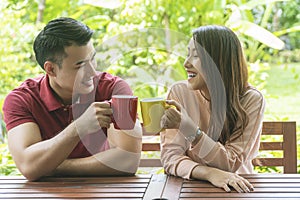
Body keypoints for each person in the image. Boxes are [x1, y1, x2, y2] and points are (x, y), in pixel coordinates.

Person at [2, 17, 142, 181]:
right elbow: (28, 165)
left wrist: (53, 166)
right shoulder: (22, 100)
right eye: (81, 65)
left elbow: (128, 161)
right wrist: (79, 127)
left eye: (93, 59)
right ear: (51, 69)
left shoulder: (114, 89)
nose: (92, 72)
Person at [160, 25, 265, 193]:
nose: (186, 63)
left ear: (218, 61)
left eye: (196, 56)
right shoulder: (179, 93)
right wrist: (209, 173)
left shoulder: (251, 99)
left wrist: (189, 129)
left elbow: (231, 164)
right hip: (189, 189)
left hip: (237, 189)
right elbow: (170, 157)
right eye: (188, 54)